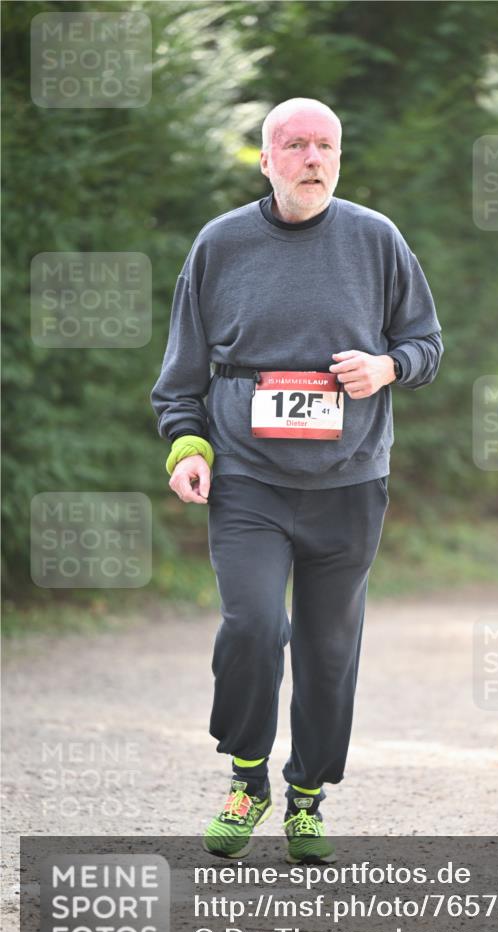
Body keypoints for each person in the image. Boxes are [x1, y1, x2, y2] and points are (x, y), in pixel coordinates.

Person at [151, 97, 443, 864]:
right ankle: (247, 780)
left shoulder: (375, 239)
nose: (312, 158)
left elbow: (425, 344)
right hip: (247, 476)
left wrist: (386, 366)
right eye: (295, 145)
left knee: (328, 648)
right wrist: (188, 446)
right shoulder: (220, 244)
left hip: (349, 481)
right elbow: (180, 380)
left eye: (326, 146)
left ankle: (307, 796)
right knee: (253, 625)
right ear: (265, 159)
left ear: (338, 159)